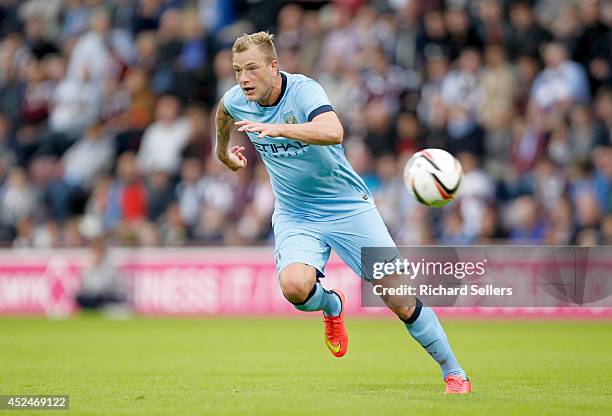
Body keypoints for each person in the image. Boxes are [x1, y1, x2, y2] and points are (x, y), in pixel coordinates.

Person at [215, 32, 471, 394]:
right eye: (238, 70)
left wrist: (280, 129)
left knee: (397, 297)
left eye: (252, 69)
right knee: (295, 288)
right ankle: (332, 304)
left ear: (274, 66)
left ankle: (454, 372)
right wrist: (222, 152)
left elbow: (334, 131)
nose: (243, 78)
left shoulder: (304, 91)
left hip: (348, 207)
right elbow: (223, 113)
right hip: (296, 213)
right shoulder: (237, 99)